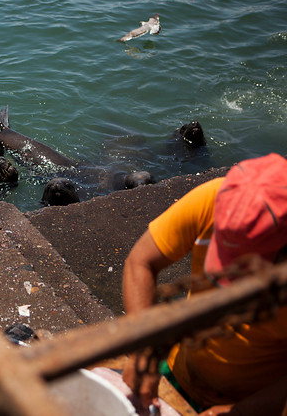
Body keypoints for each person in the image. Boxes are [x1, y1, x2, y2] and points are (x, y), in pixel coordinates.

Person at [122, 153, 287, 416]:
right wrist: (145, 350)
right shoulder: (214, 197)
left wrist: (241, 411)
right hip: (180, 368)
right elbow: (140, 262)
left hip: (258, 401)